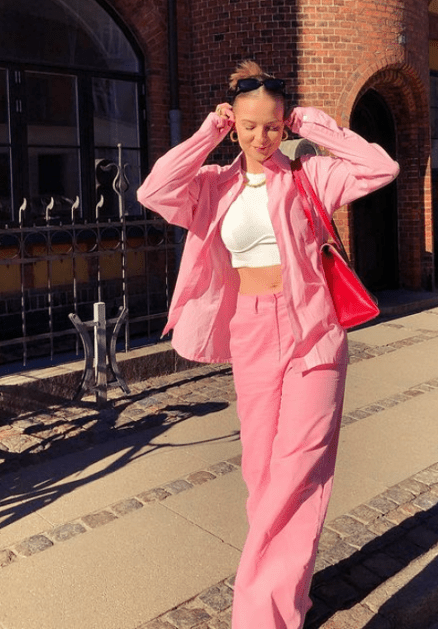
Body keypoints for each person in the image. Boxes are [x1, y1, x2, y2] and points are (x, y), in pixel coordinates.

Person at [137, 60, 399, 629]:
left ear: (285, 127)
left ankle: (263, 614)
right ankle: (289, 589)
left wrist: (312, 123)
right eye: (250, 127)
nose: (262, 138)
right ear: (234, 125)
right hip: (251, 330)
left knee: (298, 471)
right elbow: (153, 188)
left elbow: (381, 166)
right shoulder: (214, 185)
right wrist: (207, 132)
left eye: (274, 127)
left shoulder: (308, 177)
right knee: (261, 474)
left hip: (314, 335)